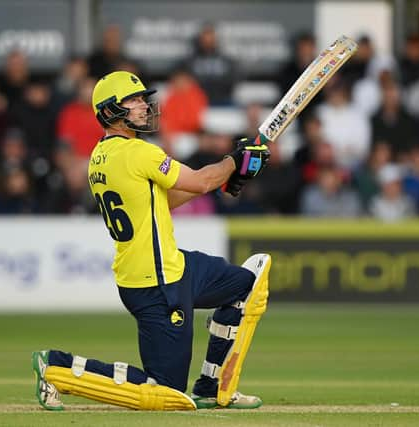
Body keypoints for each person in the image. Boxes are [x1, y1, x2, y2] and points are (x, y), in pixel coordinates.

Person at [32, 71, 272, 411]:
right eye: (134, 100)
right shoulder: (137, 153)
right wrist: (235, 160)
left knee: (245, 287)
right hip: (155, 283)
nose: (144, 105)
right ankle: (56, 367)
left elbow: (168, 199)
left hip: (172, 267)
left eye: (144, 98)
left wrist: (227, 174)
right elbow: (201, 182)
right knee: (166, 393)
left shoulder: (101, 157)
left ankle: (211, 385)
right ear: (111, 111)